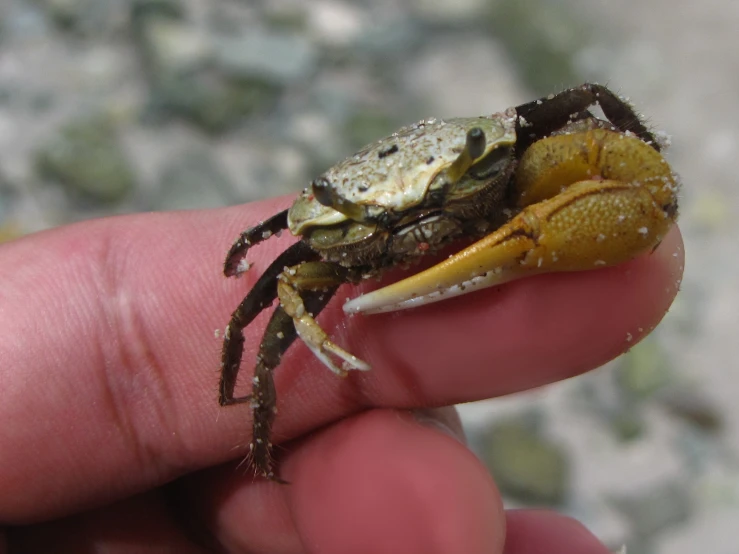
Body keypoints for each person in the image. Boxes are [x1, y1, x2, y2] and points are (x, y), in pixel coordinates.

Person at [0, 196, 683, 553]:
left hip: (482, 204)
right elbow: (253, 311)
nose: (417, 227)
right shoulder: (321, 247)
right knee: (263, 333)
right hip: (352, 244)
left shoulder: (508, 161)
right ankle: (258, 440)